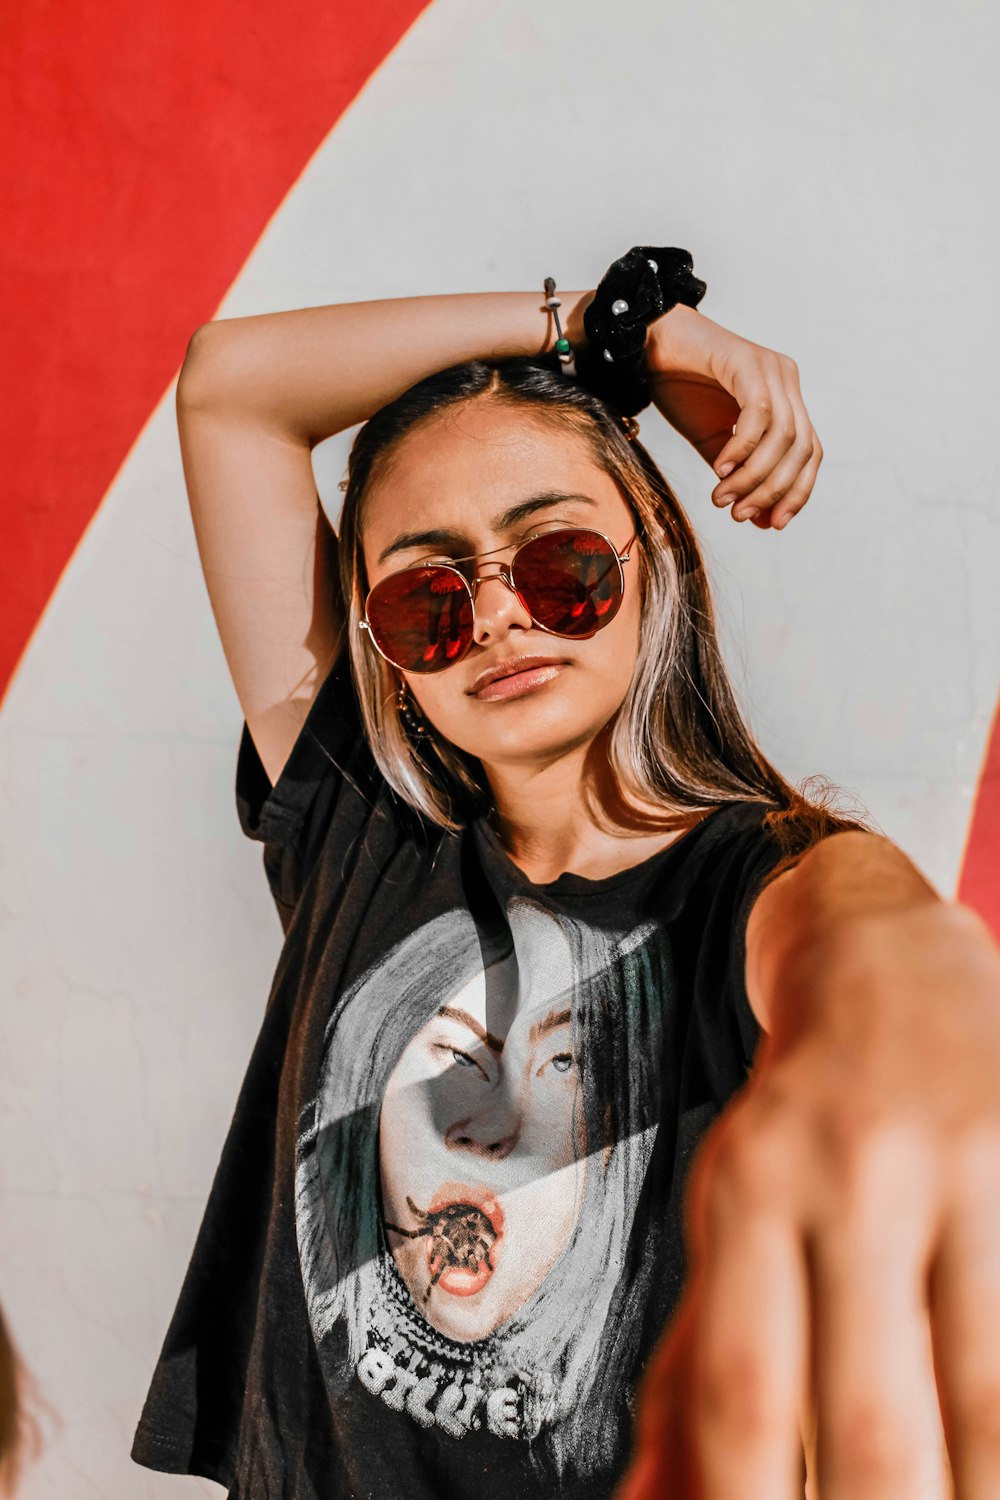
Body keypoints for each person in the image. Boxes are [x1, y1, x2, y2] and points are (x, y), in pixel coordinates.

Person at [132, 251, 1000, 1500]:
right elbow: (232, 388)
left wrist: (907, 986)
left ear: (654, 554)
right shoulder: (359, 832)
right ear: (381, 649)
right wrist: (609, 330)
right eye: (428, 594)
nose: (494, 617)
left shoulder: (750, 886)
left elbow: (854, 926)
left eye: (558, 564)